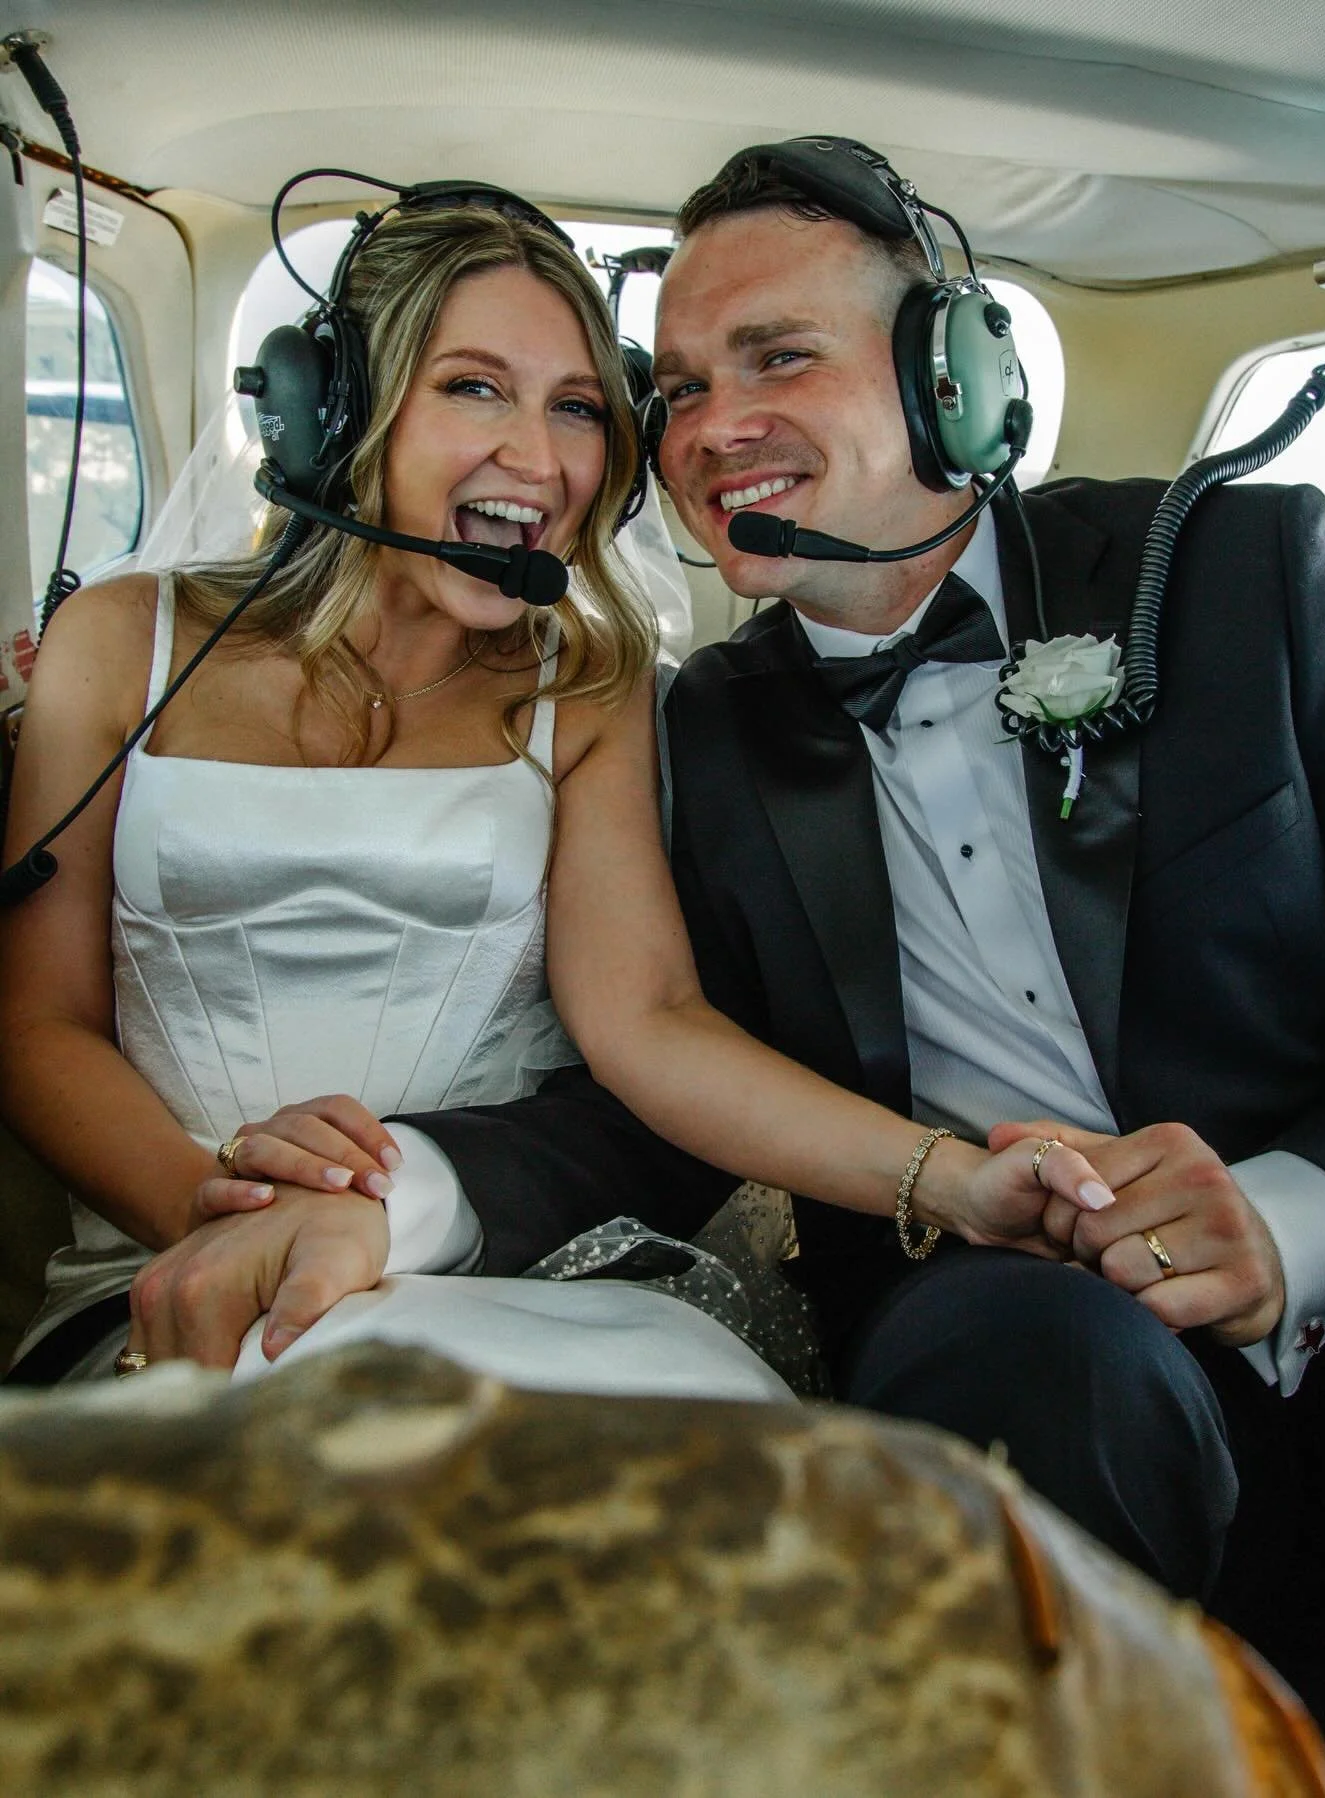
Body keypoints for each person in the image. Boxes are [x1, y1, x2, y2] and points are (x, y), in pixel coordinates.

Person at [187, 137, 1325, 1645]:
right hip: (1011, 1318)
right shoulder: (705, 730)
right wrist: (391, 1196)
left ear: (950, 381)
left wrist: (1290, 1223)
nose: (716, 428)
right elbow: (659, 1078)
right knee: (1036, 1364)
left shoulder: (1253, 573)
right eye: (677, 389)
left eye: (779, 357)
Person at [0, 182, 1112, 1393]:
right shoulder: (121, 641)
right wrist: (228, 1226)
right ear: (339, 407)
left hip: (498, 1273)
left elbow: (650, 1020)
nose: (536, 460)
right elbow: (36, 1023)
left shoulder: (588, 684)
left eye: (577, 407)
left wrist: (954, 1180)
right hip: (169, 1258)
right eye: (472, 387)